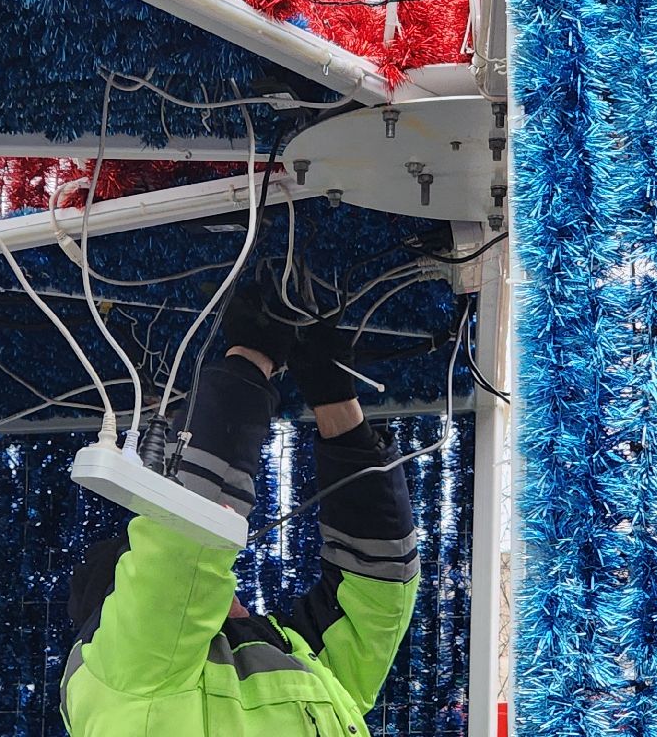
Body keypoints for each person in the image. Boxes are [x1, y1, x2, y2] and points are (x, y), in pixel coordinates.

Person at [61, 286, 420, 736]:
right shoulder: (128, 675)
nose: (223, 582)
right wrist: (277, 372)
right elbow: (379, 596)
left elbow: (183, 546)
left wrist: (301, 382)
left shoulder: (148, 671)